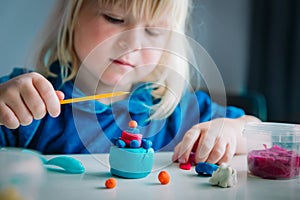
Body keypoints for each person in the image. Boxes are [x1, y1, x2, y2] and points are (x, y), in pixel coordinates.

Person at [0, 0, 260, 165]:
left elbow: (258, 133)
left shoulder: (172, 111)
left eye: (154, 31)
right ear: (72, 16)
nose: (133, 43)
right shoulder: (27, 102)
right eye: (114, 18)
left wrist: (231, 133)